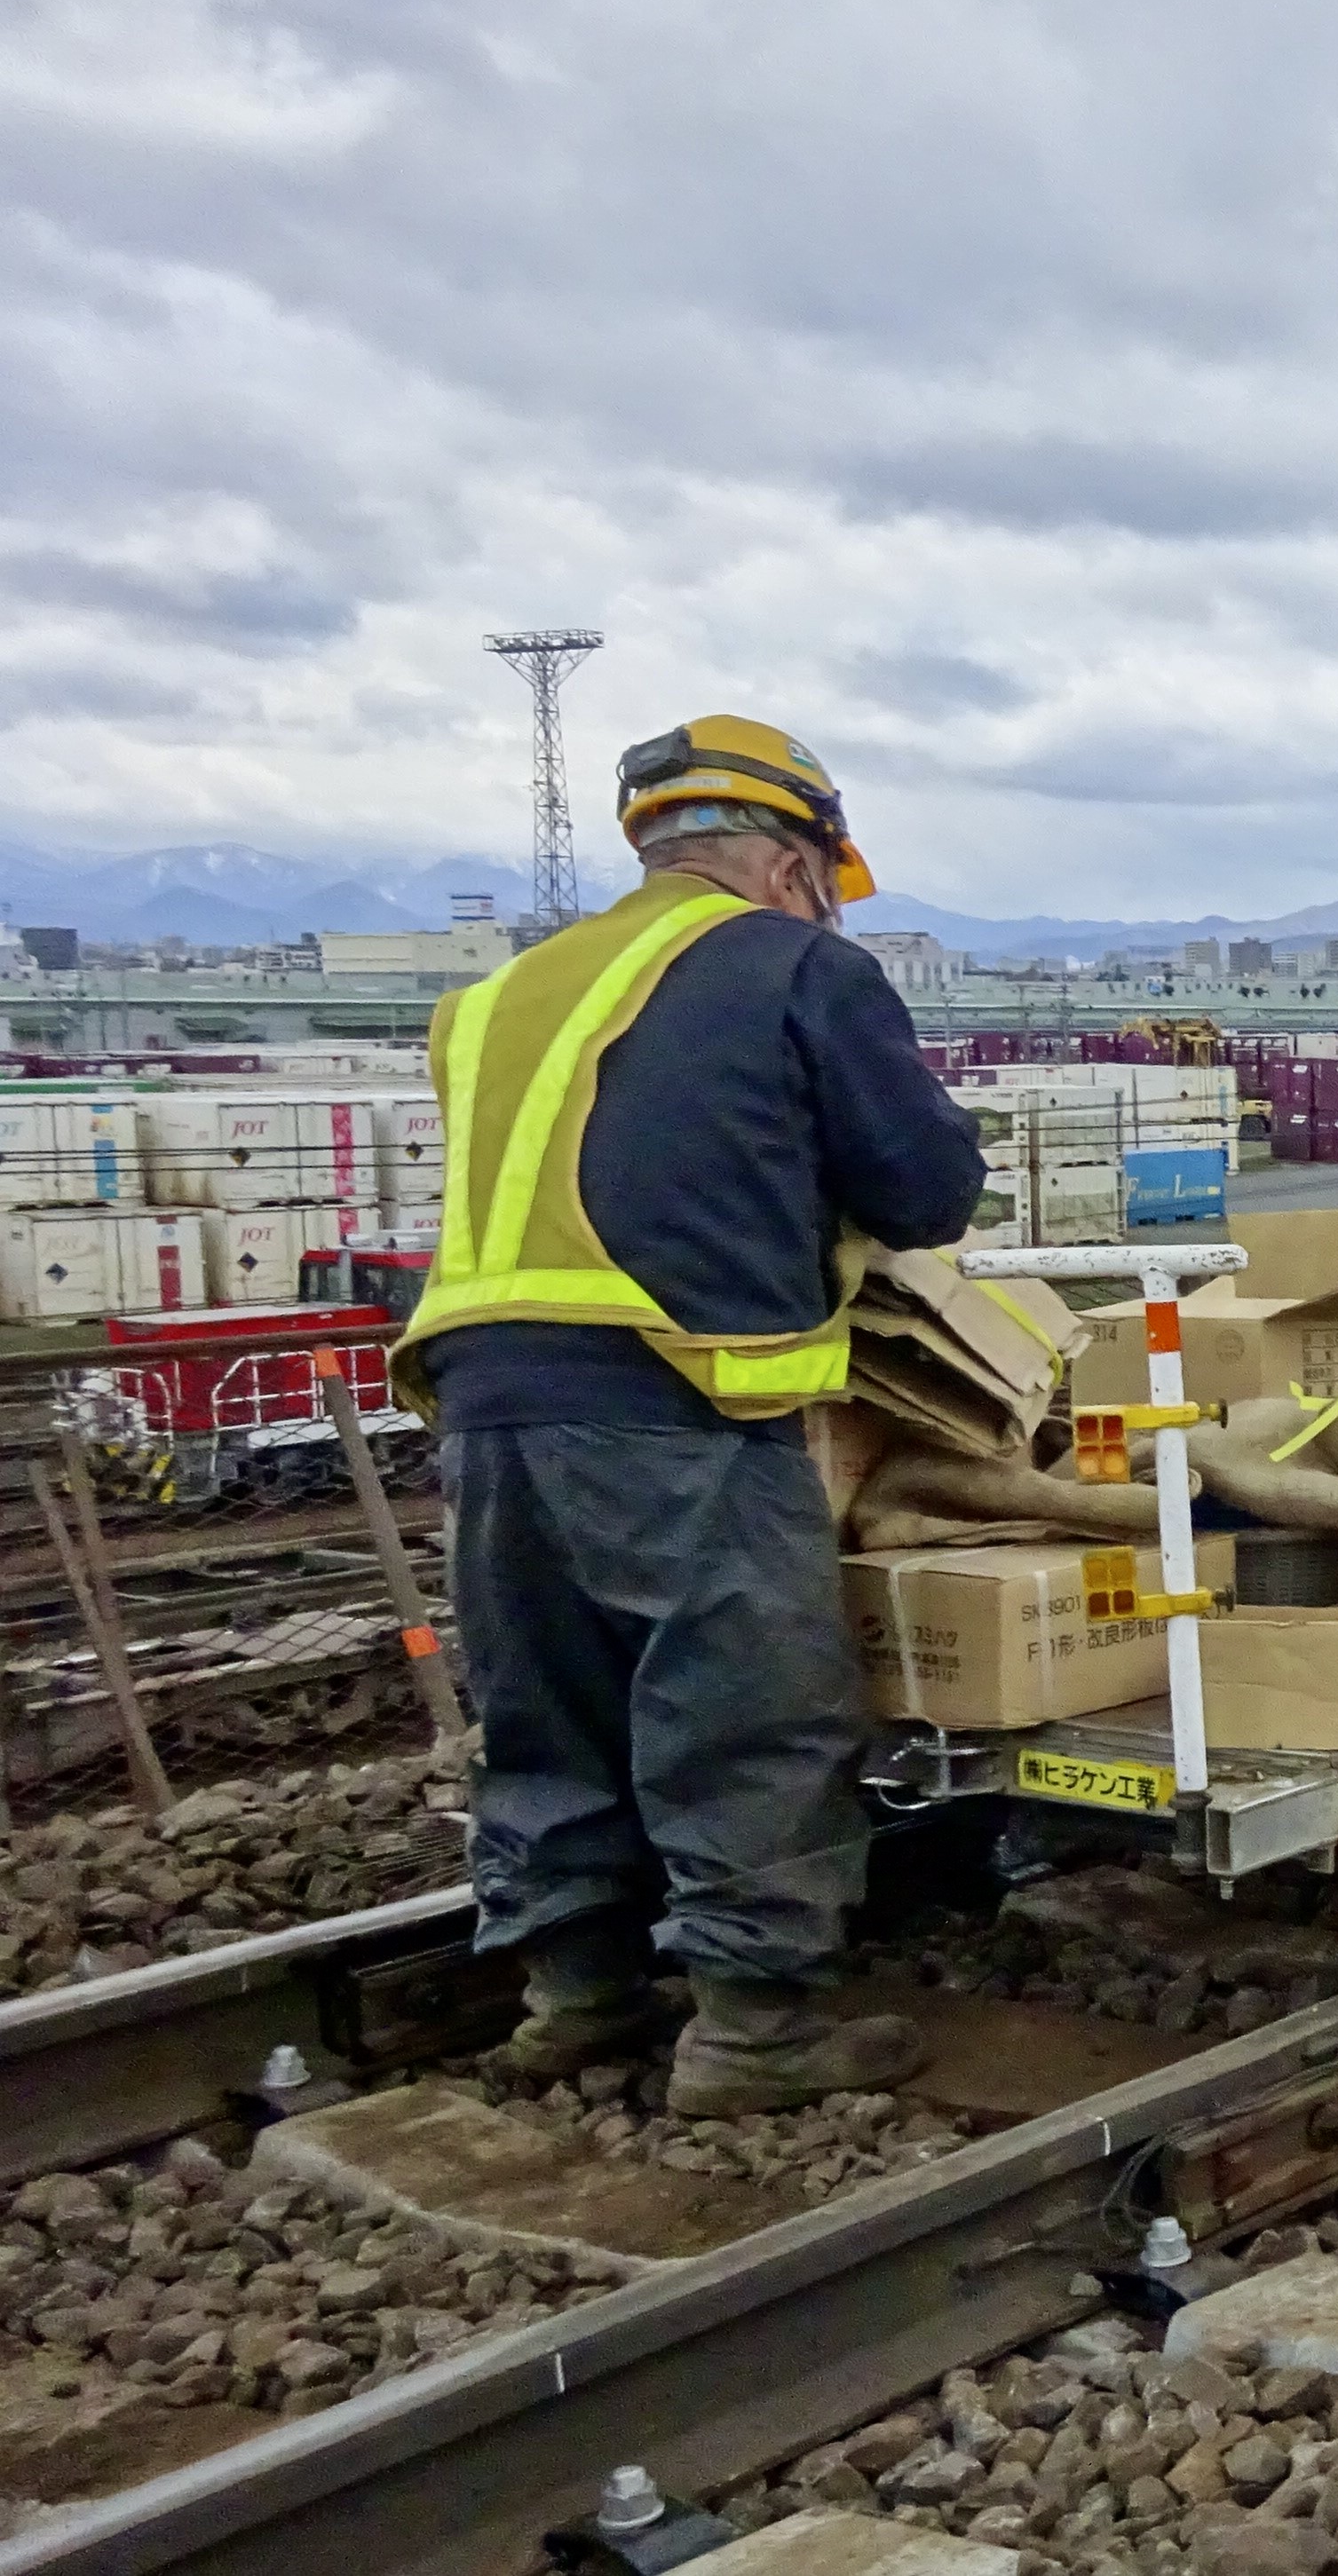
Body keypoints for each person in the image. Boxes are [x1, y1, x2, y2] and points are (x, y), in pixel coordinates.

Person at [393, 715, 987, 2116]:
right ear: (793, 864)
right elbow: (923, 1192)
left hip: (486, 1402)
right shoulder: (795, 968)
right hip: (677, 1391)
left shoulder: (502, 994)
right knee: (742, 1709)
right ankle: (753, 2033)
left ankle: (576, 1995)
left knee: (551, 1704)